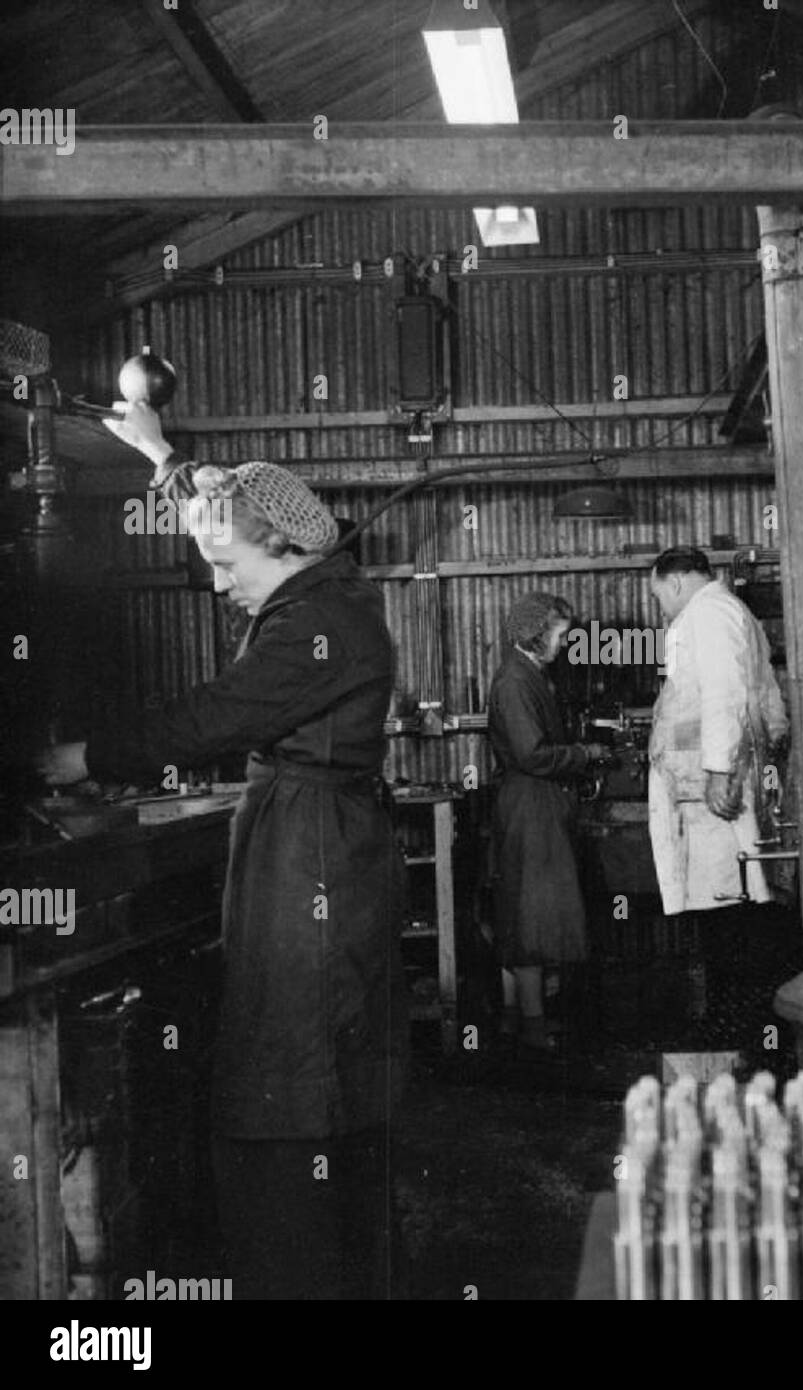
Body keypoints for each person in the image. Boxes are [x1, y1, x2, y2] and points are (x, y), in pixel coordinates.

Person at [38, 400, 408, 1299]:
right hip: (306, 838)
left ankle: (303, 1276)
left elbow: (216, 717)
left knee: (295, 1070)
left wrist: (83, 757)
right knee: (296, 1061)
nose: (216, 585)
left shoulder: (322, 626)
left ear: (280, 549)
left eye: (227, 567)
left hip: (313, 857)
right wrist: (160, 455)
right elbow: (222, 508)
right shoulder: (314, 586)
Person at [486, 593, 609, 1054]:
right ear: (536, 634)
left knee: (524, 919)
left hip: (534, 805)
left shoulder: (530, 674)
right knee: (531, 923)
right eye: (559, 635)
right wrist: (584, 753)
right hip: (529, 807)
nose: (564, 643)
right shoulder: (515, 681)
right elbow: (531, 754)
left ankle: (516, 1020)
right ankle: (533, 1031)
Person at [647, 547, 789, 915]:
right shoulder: (724, 611)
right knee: (725, 886)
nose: (661, 607)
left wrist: (719, 771)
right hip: (705, 779)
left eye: (658, 596)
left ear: (675, 583)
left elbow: (722, 692)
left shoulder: (709, 613)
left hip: (709, 783)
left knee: (722, 892)